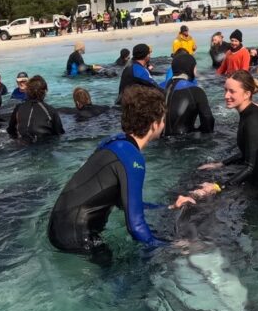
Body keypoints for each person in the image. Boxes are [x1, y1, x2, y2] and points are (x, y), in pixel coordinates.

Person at [48, 85, 194, 254]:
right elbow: (136, 227)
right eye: (163, 119)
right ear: (154, 124)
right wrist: (173, 247)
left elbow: (123, 203)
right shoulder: (132, 158)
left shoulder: (113, 142)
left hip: (58, 228)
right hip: (76, 238)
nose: (163, 124)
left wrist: (167, 207)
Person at [193, 70, 258, 195]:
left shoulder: (253, 121)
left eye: (232, 91)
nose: (226, 96)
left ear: (246, 94)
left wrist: (219, 187)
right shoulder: (251, 112)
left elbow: (251, 167)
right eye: (225, 90)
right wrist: (220, 164)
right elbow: (249, 152)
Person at [162, 53, 215, 136]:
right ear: (190, 68)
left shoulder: (160, 87)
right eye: (195, 67)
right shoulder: (196, 91)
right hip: (186, 143)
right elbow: (208, 119)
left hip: (161, 140)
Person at [7, 76, 65, 143]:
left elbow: (10, 131)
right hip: (45, 145)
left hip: (22, 145)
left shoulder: (18, 108)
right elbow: (59, 133)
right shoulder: (51, 111)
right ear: (45, 91)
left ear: (27, 91)